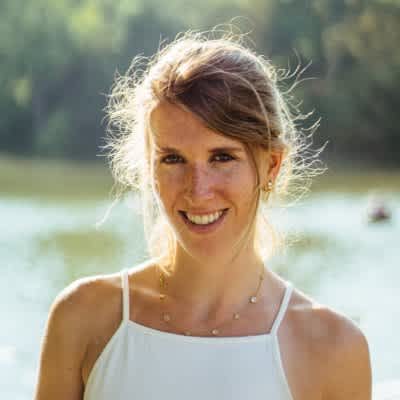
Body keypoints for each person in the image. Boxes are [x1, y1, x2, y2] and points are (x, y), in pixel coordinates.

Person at [34, 30, 372, 399]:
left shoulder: (333, 350)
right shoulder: (82, 318)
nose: (198, 190)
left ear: (272, 166)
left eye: (222, 157)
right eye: (173, 159)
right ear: (149, 168)